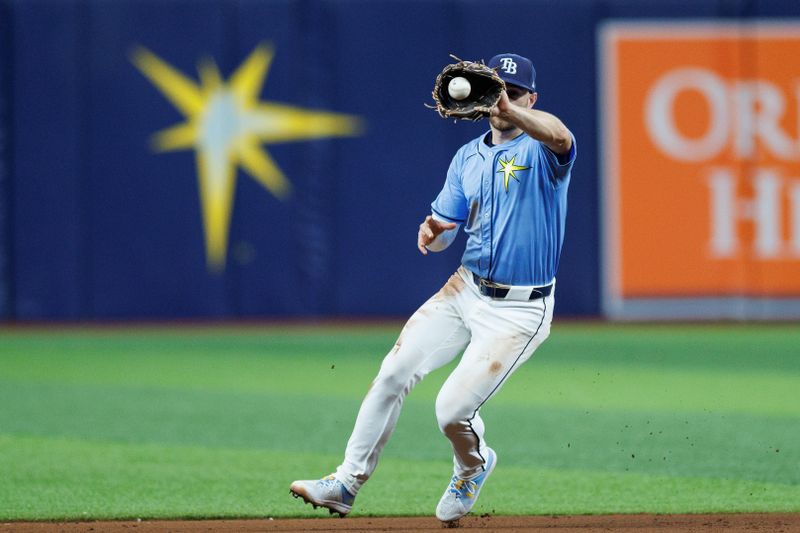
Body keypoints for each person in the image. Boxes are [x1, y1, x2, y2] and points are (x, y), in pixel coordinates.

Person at [290, 52, 576, 523]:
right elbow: (446, 229)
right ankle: (345, 482)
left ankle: (473, 464)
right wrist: (434, 232)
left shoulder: (544, 152)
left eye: (515, 92)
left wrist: (514, 111)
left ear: (531, 98)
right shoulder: (467, 157)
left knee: (451, 412)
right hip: (464, 289)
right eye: (496, 92)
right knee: (392, 372)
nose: (503, 102)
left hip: (520, 311)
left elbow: (561, 134)